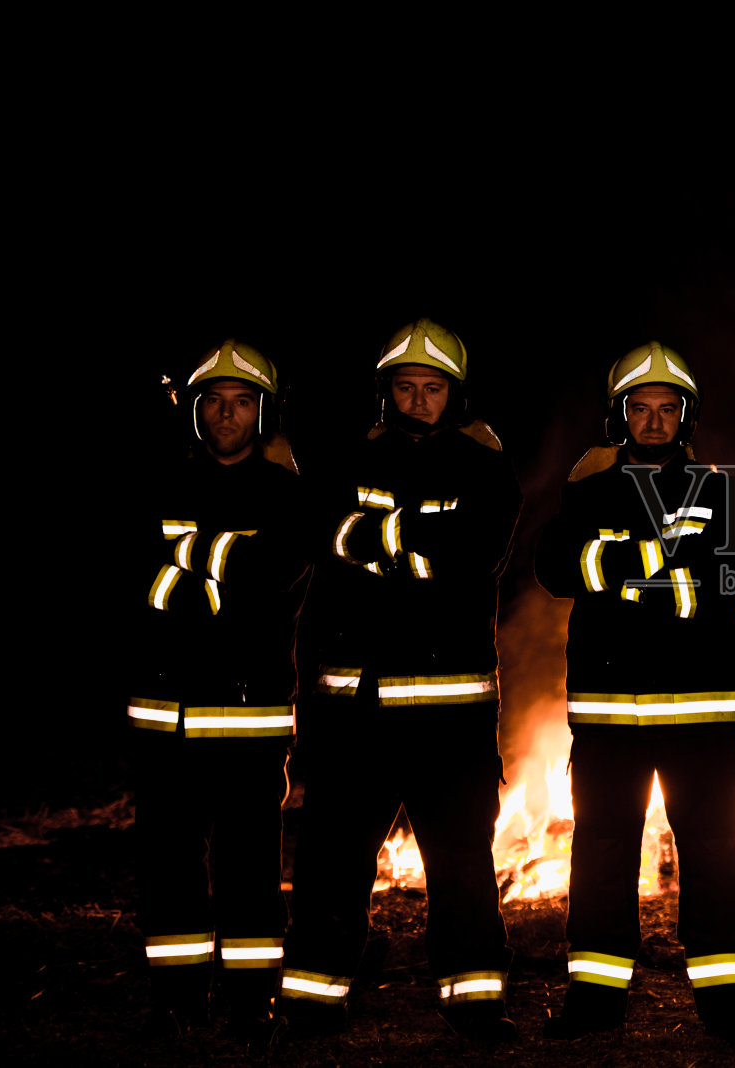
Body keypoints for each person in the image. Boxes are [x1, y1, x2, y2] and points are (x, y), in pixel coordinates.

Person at [276, 319, 523, 1042]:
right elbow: (324, 539)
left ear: (456, 394)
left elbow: (474, 556)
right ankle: (309, 1005)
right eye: (406, 388)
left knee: (463, 867)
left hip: (451, 720)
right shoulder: (346, 458)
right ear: (385, 393)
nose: (419, 400)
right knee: (329, 863)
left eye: (433, 388)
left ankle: (476, 1007)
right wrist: (419, 544)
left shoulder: (485, 467)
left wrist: (377, 539)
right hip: (351, 711)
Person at [534, 341, 735, 1047]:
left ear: (686, 417)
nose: (655, 422)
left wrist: (614, 562)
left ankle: (727, 1007)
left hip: (703, 717)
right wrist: (666, 563)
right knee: (602, 858)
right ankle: (596, 1004)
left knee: (718, 856)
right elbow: (553, 569)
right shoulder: (588, 490)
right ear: (621, 414)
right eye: (642, 408)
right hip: (607, 715)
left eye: (669, 410)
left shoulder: (720, 491)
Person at [127, 340, 308, 1040]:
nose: (225, 414)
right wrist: (224, 560)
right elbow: (133, 578)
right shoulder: (160, 483)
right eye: (213, 401)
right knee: (167, 868)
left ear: (262, 413)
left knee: (249, 870)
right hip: (162, 714)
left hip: (246, 715)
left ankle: (250, 1002)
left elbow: (273, 575)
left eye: (240, 403)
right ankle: (175, 1001)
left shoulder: (287, 495)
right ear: (195, 409)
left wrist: (184, 555)